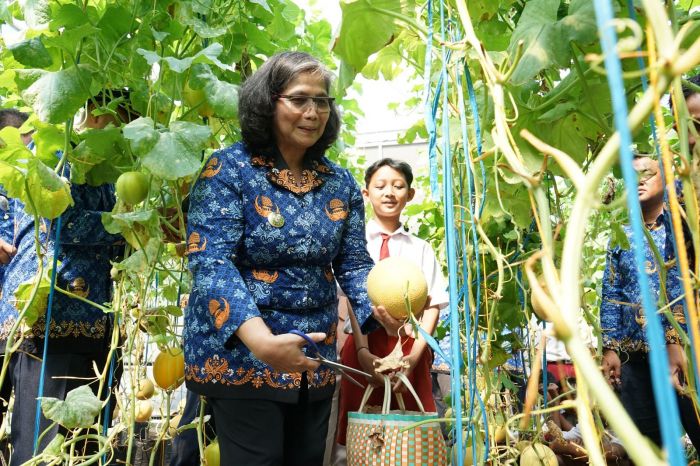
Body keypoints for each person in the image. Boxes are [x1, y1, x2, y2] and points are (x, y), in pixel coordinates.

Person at [184, 51, 380, 466]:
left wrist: (378, 311)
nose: (313, 112)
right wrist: (263, 343)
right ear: (267, 103)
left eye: (322, 101)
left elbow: (354, 263)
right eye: (300, 99)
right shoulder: (229, 169)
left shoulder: (339, 181)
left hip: (315, 356)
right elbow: (211, 262)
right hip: (244, 353)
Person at [0, 95, 130, 465]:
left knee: (78, 446)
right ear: (96, 111)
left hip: (88, 324)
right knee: (48, 449)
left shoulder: (102, 163)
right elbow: (61, 223)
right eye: (121, 115)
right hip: (54, 322)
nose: (124, 125)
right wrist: (130, 227)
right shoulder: (59, 153)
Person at [334, 158, 449, 456]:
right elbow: (350, 300)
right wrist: (362, 353)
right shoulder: (352, 245)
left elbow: (432, 306)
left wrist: (412, 357)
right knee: (358, 440)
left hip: (411, 348)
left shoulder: (420, 248)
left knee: (412, 438)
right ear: (365, 193)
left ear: (410, 195)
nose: (389, 193)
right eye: (380, 186)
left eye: (398, 186)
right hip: (362, 346)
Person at [600, 154, 700, 449]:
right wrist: (610, 347)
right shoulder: (621, 234)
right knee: (648, 442)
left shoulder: (681, 226)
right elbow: (612, 291)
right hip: (636, 357)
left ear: (666, 179)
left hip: (681, 352)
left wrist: (675, 341)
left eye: (648, 173)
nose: (639, 181)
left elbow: (684, 286)